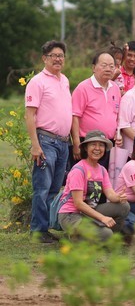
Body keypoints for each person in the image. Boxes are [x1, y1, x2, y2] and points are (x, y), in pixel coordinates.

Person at [25, 40, 73, 243]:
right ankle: (38, 230)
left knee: (55, 188)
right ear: (44, 58)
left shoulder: (64, 80)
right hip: (45, 141)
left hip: (63, 142)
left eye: (60, 55)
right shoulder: (37, 82)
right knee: (42, 187)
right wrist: (35, 145)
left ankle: (48, 227)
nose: (57, 59)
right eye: (53, 55)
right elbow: (29, 115)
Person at [58, 131, 130, 242]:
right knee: (106, 234)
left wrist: (118, 197)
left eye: (101, 145)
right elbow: (78, 204)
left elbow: (110, 194)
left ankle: (106, 237)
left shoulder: (102, 170)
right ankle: (74, 237)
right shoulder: (78, 170)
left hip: (89, 211)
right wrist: (102, 218)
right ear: (86, 148)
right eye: (93, 144)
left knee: (124, 206)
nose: (97, 148)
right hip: (71, 215)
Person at [71, 50, 122, 168]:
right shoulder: (83, 88)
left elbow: (117, 115)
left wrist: (117, 133)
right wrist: (76, 143)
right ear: (94, 67)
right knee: (87, 179)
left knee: (103, 179)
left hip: (108, 144)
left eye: (111, 66)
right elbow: (75, 117)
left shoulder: (114, 88)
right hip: (88, 142)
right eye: (104, 65)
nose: (108, 69)